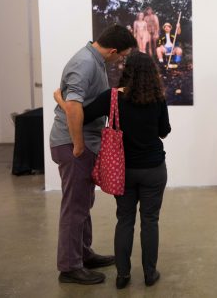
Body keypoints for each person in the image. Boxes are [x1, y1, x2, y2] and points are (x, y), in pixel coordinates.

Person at [55, 51, 171, 289]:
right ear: (151, 74)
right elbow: (164, 131)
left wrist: (61, 99)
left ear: (126, 72)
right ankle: (150, 274)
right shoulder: (158, 98)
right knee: (150, 220)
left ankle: (123, 276)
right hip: (154, 169)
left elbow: (82, 116)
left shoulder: (112, 98)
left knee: (125, 220)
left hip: (123, 170)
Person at [50, 25, 137, 285]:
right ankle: (69, 267)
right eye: (121, 56)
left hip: (84, 141)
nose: (120, 60)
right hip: (74, 143)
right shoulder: (86, 63)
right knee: (74, 208)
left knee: (83, 203)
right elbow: (74, 106)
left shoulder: (94, 60)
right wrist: (78, 146)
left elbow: (69, 97)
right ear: (112, 50)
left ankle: (83, 254)